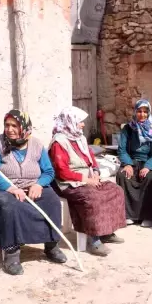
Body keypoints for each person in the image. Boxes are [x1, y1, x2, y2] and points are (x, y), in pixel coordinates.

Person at [0, 110, 65, 275]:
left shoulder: (36, 145)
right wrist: (10, 188)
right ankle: (12, 254)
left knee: (52, 201)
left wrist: (39, 184)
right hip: (1, 189)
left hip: (31, 187)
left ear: (24, 127)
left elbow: (48, 171)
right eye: (7, 125)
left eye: (15, 125)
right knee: (10, 206)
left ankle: (51, 245)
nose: (10, 129)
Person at [49, 106, 126, 256]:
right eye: (80, 122)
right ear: (70, 122)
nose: (83, 125)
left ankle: (106, 232)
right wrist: (86, 180)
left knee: (115, 191)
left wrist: (96, 173)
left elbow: (91, 158)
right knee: (92, 198)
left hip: (88, 178)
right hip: (67, 183)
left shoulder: (80, 138)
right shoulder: (59, 142)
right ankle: (94, 240)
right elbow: (62, 171)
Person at [117, 99, 152, 227]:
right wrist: (127, 164)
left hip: (148, 163)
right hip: (131, 161)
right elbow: (122, 149)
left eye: (145, 112)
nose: (142, 115)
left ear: (149, 113)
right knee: (123, 176)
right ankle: (129, 215)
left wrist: (148, 167)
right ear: (135, 112)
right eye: (139, 111)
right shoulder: (128, 129)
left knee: (151, 178)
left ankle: (147, 217)